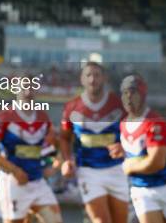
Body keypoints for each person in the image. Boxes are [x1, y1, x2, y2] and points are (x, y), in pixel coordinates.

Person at [60, 62, 128, 223]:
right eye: (88, 75)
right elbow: (64, 137)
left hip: (117, 169)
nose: (92, 79)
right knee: (100, 220)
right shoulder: (71, 107)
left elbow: (131, 134)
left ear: (104, 78)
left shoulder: (119, 104)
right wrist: (67, 160)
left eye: (97, 75)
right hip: (87, 171)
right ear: (81, 79)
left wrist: (123, 146)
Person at [0, 90, 62, 223]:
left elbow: (57, 144)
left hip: (38, 182)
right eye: (24, 87)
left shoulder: (43, 117)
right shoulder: (2, 116)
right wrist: (15, 171)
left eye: (31, 87)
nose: (28, 92)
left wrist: (55, 166)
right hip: (12, 182)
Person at [119, 75, 166, 223]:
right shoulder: (123, 124)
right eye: (125, 92)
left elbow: (157, 162)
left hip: (164, 186)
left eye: (133, 92)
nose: (128, 97)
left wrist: (129, 166)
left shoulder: (154, 122)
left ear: (142, 94)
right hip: (141, 190)